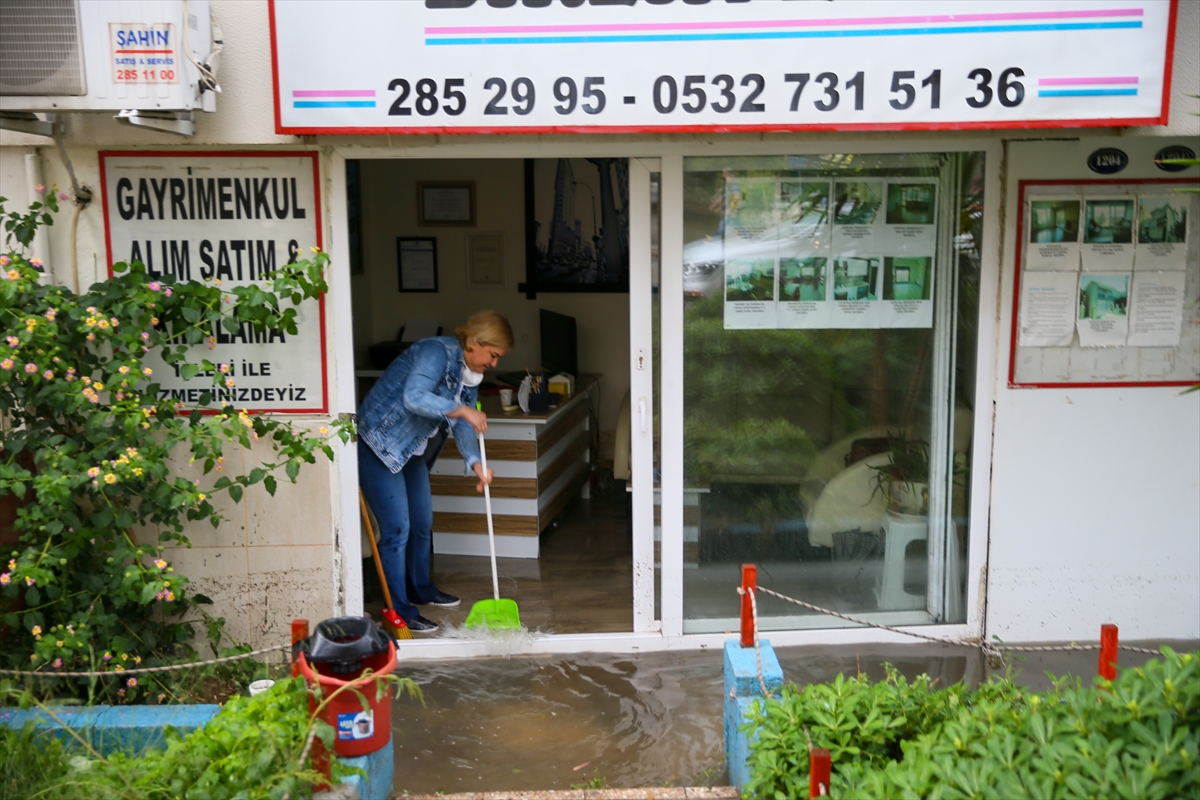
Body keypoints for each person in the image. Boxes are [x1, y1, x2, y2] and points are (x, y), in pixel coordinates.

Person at [357, 310, 513, 633]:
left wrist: (475, 462)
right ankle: (398, 607)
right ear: (475, 342)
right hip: (379, 444)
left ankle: (421, 589)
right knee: (397, 529)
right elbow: (414, 397)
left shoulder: (468, 373)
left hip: (410, 449)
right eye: (493, 355)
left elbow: (463, 423)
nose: (494, 364)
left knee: (422, 523)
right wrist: (461, 409)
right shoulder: (435, 353)